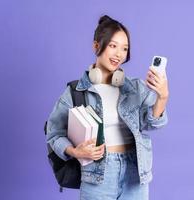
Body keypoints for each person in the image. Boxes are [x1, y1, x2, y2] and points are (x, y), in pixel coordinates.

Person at [46, 15, 169, 200]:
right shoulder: (76, 91)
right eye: (113, 46)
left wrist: (163, 96)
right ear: (96, 46)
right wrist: (75, 151)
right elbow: (54, 134)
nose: (119, 54)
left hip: (135, 174)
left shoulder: (134, 88)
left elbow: (152, 124)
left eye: (124, 48)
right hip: (98, 175)